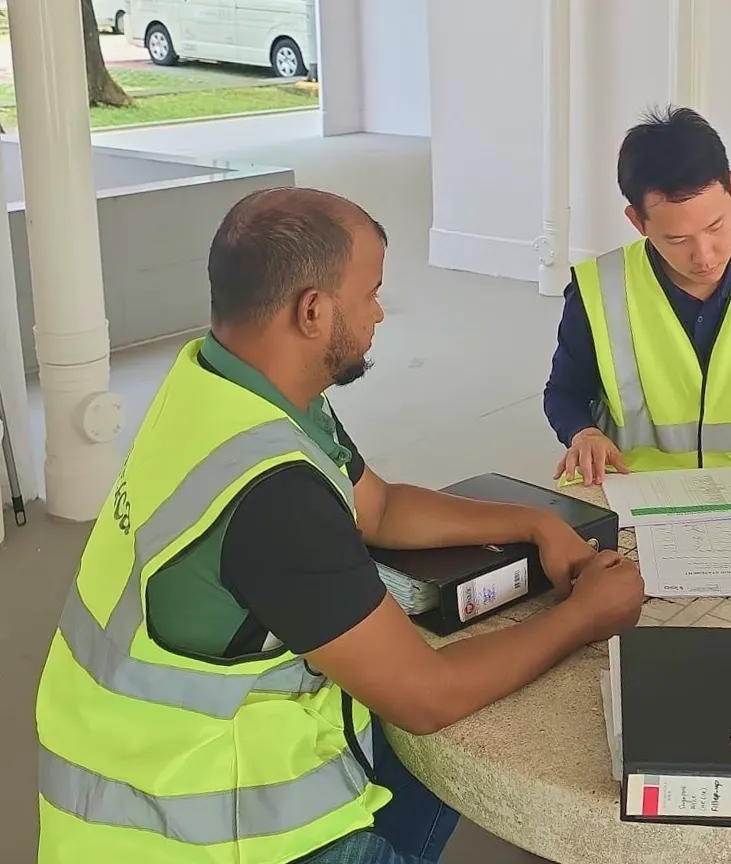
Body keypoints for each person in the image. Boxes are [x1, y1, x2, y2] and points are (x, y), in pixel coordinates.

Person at [34, 188, 646, 864]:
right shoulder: (273, 496)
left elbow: (376, 507)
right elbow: (425, 694)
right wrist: (585, 615)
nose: (380, 312)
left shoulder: (222, 384)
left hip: (136, 765)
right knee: (452, 712)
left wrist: (533, 522)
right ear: (314, 311)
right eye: (371, 293)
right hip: (198, 833)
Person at [544, 105, 731, 485]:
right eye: (676, 239)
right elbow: (565, 392)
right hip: (635, 493)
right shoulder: (599, 289)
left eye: (716, 226)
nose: (704, 256)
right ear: (637, 222)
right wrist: (583, 433)